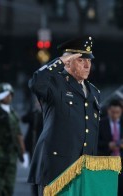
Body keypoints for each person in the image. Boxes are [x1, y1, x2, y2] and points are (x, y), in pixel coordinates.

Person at [27, 35, 101, 195]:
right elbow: (35, 83)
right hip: (57, 167)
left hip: (83, 169)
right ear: (68, 61)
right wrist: (59, 61)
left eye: (89, 60)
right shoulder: (55, 82)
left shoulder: (94, 92)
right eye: (81, 60)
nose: (87, 65)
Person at [0, 82, 25, 196]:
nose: (9, 97)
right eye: (6, 94)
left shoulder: (13, 113)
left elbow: (18, 133)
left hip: (11, 156)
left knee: (9, 188)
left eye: (10, 94)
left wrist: (22, 151)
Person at [98, 99, 123, 194]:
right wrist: (108, 145)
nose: (115, 115)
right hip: (105, 161)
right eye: (113, 112)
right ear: (108, 111)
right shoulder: (101, 124)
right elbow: (96, 142)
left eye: (118, 112)